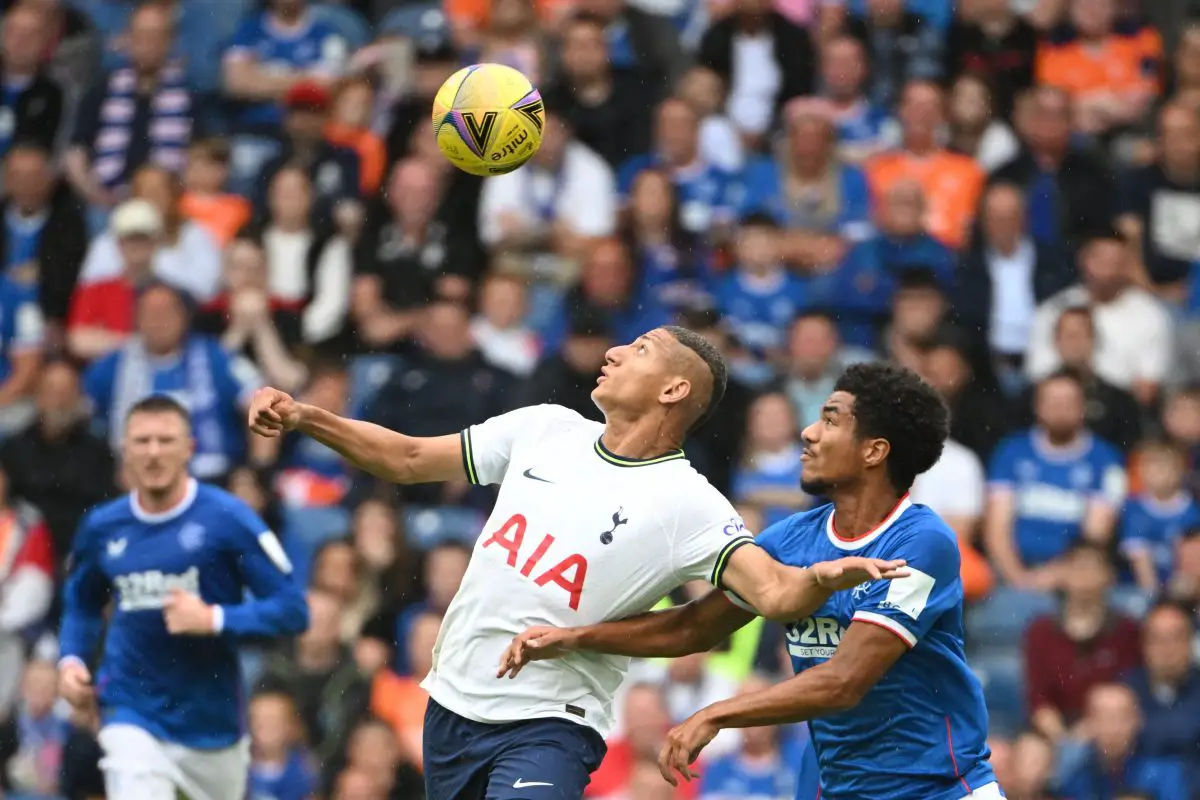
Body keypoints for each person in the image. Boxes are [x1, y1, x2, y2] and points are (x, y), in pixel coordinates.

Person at [247, 326, 908, 799]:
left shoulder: (688, 502)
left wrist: (824, 576)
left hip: (550, 722)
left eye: (640, 350)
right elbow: (409, 460)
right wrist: (309, 418)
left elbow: (773, 595)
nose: (615, 352)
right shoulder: (545, 429)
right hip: (452, 706)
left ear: (674, 389)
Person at [499, 362, 1001, 800]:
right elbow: (695, 627)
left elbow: (844, 682)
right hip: (834, 785)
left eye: (830, 420)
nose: (808, 432)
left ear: (874, 452)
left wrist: (717, 714)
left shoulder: (922, 542)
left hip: (939, 788)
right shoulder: (789, 540)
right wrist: (578, 638)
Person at [57, 394, 309, 800]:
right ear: (125, 449)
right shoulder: (102, 527)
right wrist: (71, 659)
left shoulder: (229, 519)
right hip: (130, 709)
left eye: (165, 440)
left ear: (189, 448)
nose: (153, 453)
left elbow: (293, 610)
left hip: (212, 724)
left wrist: (213, 619)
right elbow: (82, 603)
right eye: (142, 441)